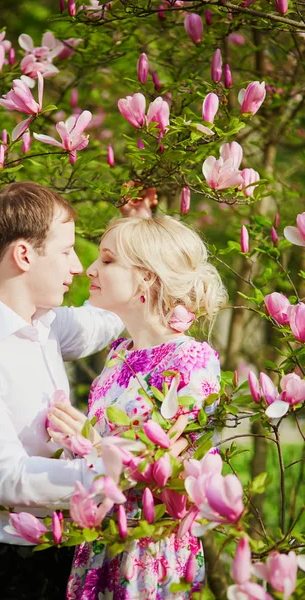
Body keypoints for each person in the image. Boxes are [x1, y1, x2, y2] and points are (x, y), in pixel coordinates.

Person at [0, 181, 133, 600]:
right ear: (24, 255)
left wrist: (134, 241)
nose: (76, 266)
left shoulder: (46, 323)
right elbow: (7, 480)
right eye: (67, 250)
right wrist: (115, 471)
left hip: (59, 553)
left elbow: (104, 319)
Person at [48, 215, 228, 599]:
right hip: (102, 544)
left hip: (150, 554)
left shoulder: (191, 361)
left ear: (147, 277)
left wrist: (93, 445)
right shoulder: (119, 353)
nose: (91, 268)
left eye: (108, 261)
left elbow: (175, 476)